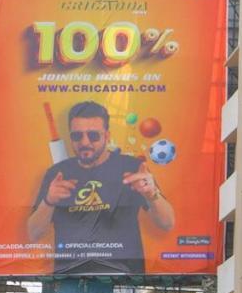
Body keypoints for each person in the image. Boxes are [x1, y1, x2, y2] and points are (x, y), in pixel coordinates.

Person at [27, 100, 174, 275]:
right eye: (77, 136)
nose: (85, 142)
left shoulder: (132, 168)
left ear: (107, 136)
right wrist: (49, 201)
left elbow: (167, 223)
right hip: (70, 276)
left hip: (123, 276)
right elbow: (33, 233)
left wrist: (151, 194)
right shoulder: (57, 174)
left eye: (93, 135)